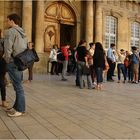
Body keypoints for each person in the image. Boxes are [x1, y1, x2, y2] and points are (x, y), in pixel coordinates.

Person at [4, 13, 27, 117]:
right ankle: (16, 107)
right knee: (18, 85)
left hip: (13, 61)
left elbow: (8, 48)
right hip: (20, 61)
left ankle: (20, 109)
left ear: (12, 21)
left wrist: (7, 60)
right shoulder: (23, 32)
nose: (7, 22)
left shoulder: (11, 31)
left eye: (8, 20)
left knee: (18, 87)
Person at [0, 30, 8, 108]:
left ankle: (3, 101)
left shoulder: (3, 41)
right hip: (2, 62)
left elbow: (7, 50)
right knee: (2, 82)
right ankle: (3, 101)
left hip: (2, 62)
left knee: (2, 82)